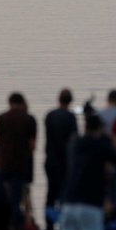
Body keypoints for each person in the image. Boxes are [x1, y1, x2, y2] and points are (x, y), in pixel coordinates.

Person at [0, 92, 37, 224]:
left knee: (0, 196)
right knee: (16, 199)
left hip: (2, 164)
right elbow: (32, 145)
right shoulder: (29, 119)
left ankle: (0, 226)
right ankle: (15, 229)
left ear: (9, 102)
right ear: (23, 103)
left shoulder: (1, 117)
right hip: (20, 165)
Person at [44, 88, 78, 222]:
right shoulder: (70, 117)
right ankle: (64, 224)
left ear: (58, 99)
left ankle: (49, 225)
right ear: (70, 101)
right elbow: (74, 139)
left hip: (50, 159)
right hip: (65, 161)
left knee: (50, 193)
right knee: (64, 193)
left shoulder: (50, 115)